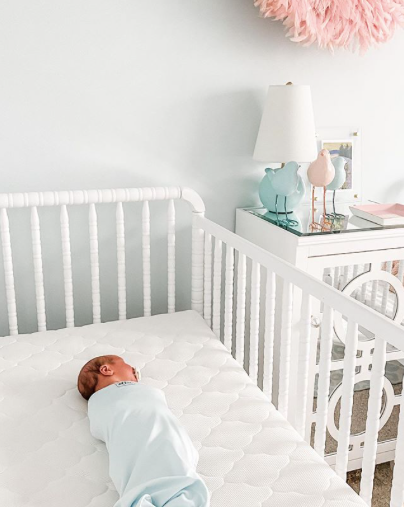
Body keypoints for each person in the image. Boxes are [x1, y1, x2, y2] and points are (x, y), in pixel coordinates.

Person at [78, 355, 210, 507]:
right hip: (149, 440)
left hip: (155, 439)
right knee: (175, 477)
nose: (134, 370)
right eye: (127, 364)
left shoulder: (98, 405)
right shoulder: (106, 399)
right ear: (106, 370)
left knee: (144, 480)